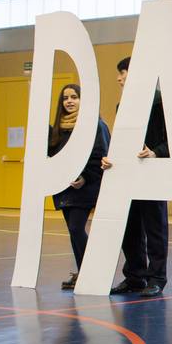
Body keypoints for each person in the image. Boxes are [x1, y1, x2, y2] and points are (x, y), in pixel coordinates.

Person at [103, 56, 170, 297]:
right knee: (129, 228)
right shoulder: (123, 106)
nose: (119, 78)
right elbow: (121, 141)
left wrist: (155, 152)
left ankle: (157, 277)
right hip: (127, 175)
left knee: (155, 228)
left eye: (123, 72)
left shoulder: (162, 102)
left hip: (153, 173)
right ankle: (134, 276)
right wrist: (111, 157)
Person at [49, 83, 110, 290]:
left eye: (74, 97)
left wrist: (84, 177)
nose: (69, 101)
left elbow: (100, 153)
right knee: (73, 230)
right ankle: (83, 271)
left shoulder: (94, 125)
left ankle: (89, 272)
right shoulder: (58, 128)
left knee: (76, 228)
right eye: (65, 98)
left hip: (86, 186)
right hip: (64, 188)